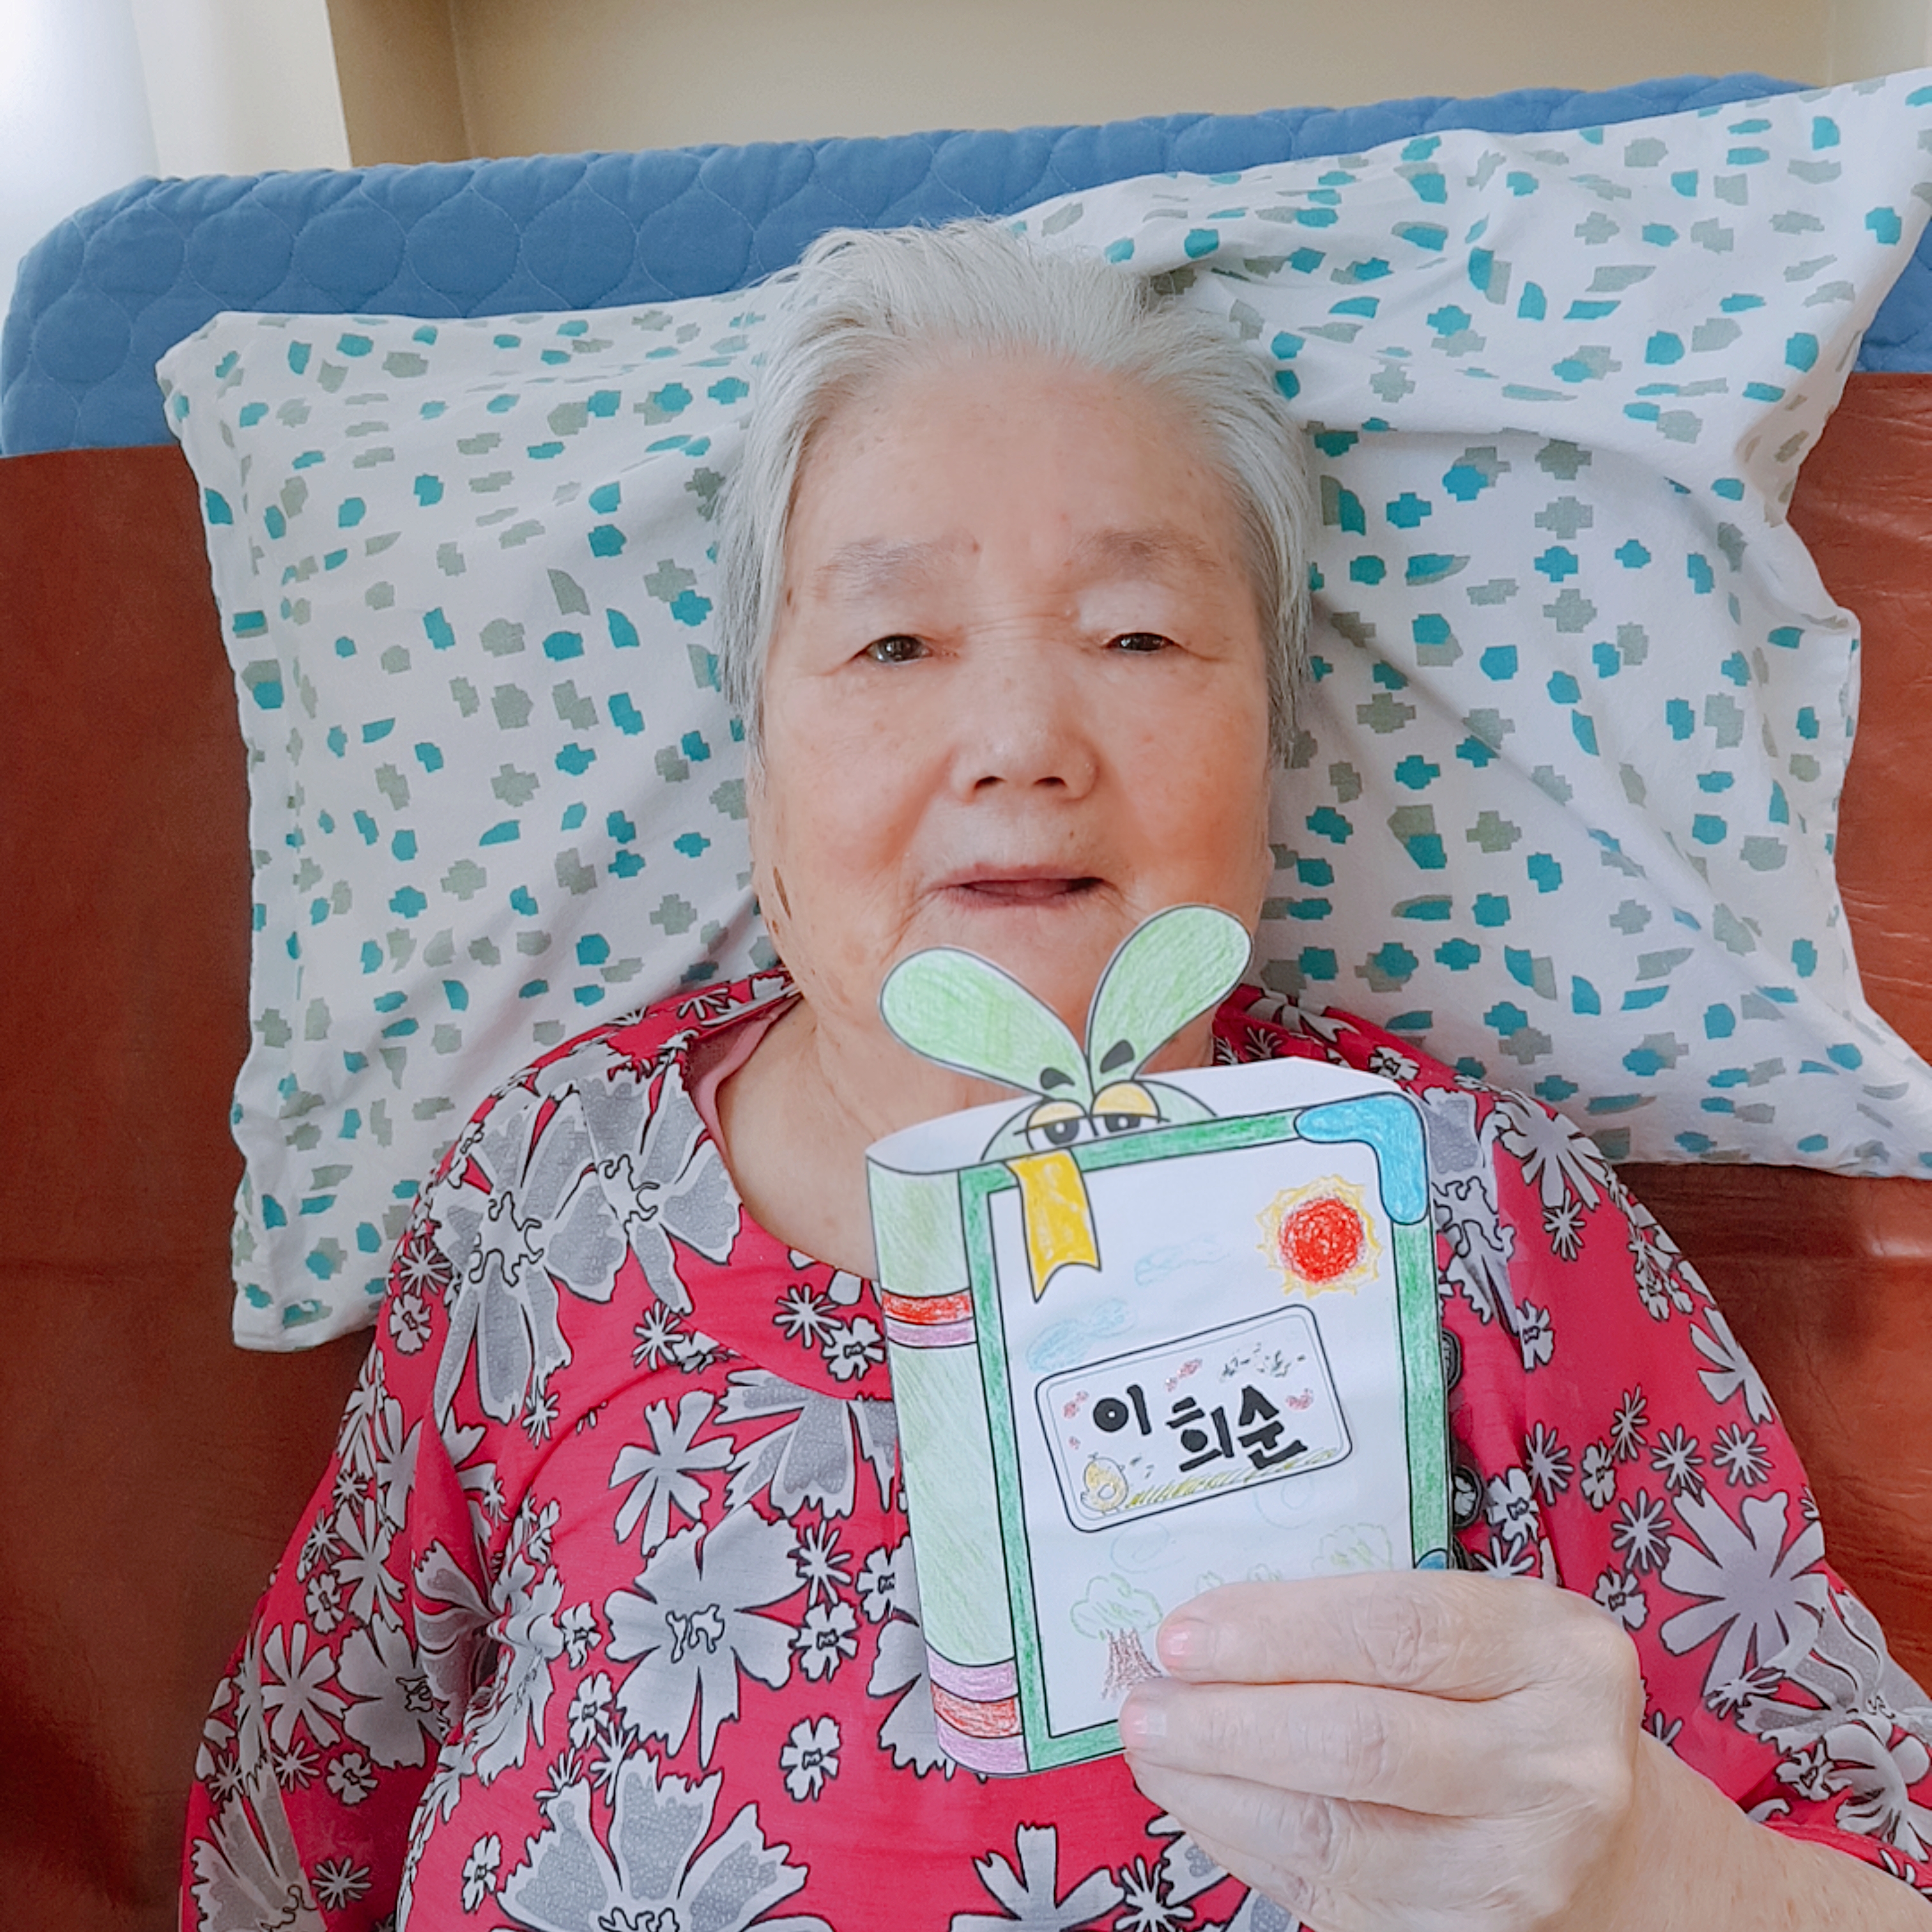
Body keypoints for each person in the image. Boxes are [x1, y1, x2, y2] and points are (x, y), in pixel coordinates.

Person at [182, 222, 1932, 1931]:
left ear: (1273, 747)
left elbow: (1876, 1856)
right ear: (759, 772)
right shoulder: (545, 1194)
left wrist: (1655, 1884)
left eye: (1138, 636)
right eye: (893, 645)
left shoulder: (1464, 1210)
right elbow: (302, 1820)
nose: (1020, 745)